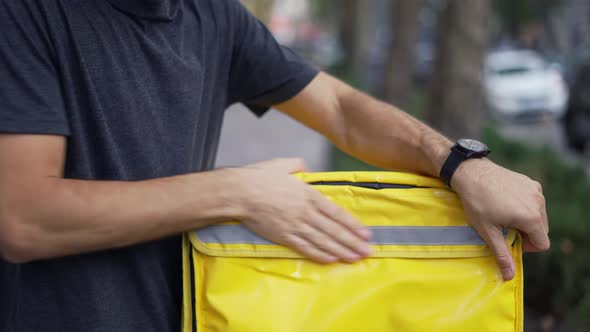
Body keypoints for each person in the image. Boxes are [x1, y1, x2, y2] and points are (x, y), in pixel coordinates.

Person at [0, 0, 549, 331]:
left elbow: (341, 110)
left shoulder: (211, 15)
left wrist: (459, 164)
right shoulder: (25, 13)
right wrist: (234, 193)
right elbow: (24, 218)